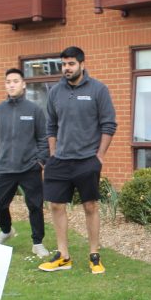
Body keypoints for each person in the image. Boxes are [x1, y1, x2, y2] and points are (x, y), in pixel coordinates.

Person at [37, 46, 117, 274]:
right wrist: (52, 155)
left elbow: (108, 124)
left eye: (71, 64)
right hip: (60, 161)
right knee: (55, 205)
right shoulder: (55, 92)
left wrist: (99, 156)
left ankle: (94, 255)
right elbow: (51, 125)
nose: (66, 68)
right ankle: (63, 256)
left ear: (82, 64)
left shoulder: (98, 90)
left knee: (90, 206)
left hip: (86, 160)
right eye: (63, 64)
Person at [0, 67, 49, 258]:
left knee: (35, 206)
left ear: (23, 84)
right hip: (5, 167)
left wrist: (40, 161)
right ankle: (7, 231)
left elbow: (43, 138)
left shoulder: (34, 110)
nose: (11, 85)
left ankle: (37, 243)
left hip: (29, 167)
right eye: (8, 82)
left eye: (15, 81)